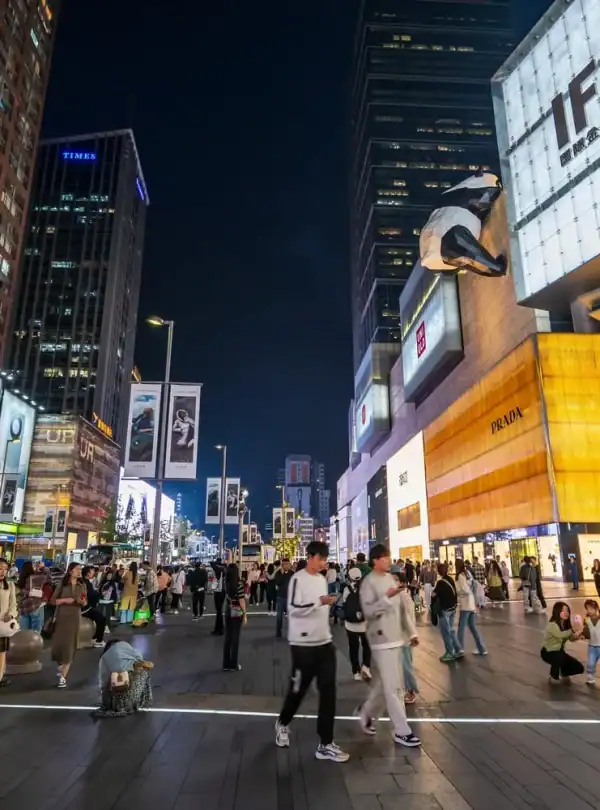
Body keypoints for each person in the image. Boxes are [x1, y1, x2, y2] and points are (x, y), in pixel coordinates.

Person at [275, 541, 349, 763]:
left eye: (325, 559)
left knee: (328, 691)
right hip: (302, 645)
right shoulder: (298, 579)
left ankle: (325, 743)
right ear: (310, 557)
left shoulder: (321, 579)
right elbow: (294, 610)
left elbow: (319, 608)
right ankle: (283, 723)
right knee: (298, 690)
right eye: (321, 558)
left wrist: (326, 604)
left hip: (324, 643)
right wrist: (319, 602)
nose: (324, 563)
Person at [357, 544, 421, 747]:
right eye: (384, 557)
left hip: (396, 638)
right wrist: (386, 598)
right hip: (380, 639)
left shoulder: (390, 579)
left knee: (387, 684)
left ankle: (366, 712)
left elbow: (401, 609)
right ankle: (402, 731)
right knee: (394, 687)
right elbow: (369, 611)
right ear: (375, 560)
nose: (388, 560)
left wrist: (411, 632)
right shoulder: (369, 583)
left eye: (389, 557)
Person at [94, 638, 153, 718]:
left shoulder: (104, 658)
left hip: (117, 697)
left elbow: (103, 684)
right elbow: (140, 657)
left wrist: (106, 704)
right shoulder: (128, 648)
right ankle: (138, 703)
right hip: (135, 693)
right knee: (143, 671)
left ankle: (120, 705)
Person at [51, 562, 88, 688]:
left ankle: (63, 676)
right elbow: (53, 600)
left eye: (80, 569)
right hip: (62, 618)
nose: (79, 571)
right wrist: (65, 600)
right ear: (70, 571)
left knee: (70, 646)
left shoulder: (82, 585)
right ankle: (61, 665)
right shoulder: (62, 584)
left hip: (75, 618)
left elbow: (85, 601)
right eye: (77, 569)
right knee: (59, 645)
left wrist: (82, 602)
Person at [540, 601, 584, 684]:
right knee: (559, 657)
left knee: (579, 667)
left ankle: (564, 672)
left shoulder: (566, 625)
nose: (566, 613)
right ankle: (553, 675)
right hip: (548, 652)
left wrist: (578, 635)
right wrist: (572, 630)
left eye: (567, 610)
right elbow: (560, 635)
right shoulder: (552, 624)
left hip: (559, 652)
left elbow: (570, 638)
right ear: (557, 611)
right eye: (563, 610)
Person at [342, 566, 371, 681]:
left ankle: (356, 672)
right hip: (365, 624)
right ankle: (366, 666)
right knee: (367, 646)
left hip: (350, 625)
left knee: (353, 648)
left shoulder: (346, 589)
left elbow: (344, 604)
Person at [455, 560, 487, 656]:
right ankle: (481, 648)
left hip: (465, 604)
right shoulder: (468, 573)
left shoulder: (460, 576)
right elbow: (473, 586)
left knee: (461, 627)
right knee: (473, 627)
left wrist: (458, 593)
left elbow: (464, 589)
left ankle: (459, 648)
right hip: (472, 603)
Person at [432, 562, 461, 663]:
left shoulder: (440, 583)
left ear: (438, 572)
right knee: (451, 630)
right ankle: (458, 649)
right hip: (453, 608)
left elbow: (434, 595)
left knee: (446, 633)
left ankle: (449, 653)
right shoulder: (450, 579)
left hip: (444, 610)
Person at [223, 564, 247, 671]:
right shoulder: (239, 584)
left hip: (228, 610)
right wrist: (245, 614)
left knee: (228, 637)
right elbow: (241, 600)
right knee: (235, 638)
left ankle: (226, 664)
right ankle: (234, 664)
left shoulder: (226, 583)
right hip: (236, 611)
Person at [16, 560, 47, 634]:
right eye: (34, 565)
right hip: (34, 606)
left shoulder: (22, 579)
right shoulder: (35, 578)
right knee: (35, 633)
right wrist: (43, 567)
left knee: (24, 633)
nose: (35, 566)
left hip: (23, 608)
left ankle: (24, 645)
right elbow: (48, 577)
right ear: (30, 568)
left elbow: (20, 592)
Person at [0, 558, 17, 687]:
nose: (3, 571)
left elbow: (13, 605)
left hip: (2, 625)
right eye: (0, 568)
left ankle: (0, 677)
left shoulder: (9, 585)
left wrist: (10, 614)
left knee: (1, 653)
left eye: (5, 569)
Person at [81, 566, 107, 648]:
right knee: (102, 618)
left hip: (85, 607)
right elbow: (90, 596)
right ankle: (99, 640)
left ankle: (95, 637)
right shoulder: (86, 583)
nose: (94, 573)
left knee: (99, 616)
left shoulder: (84, 582)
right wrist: (98, 594)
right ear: (88, 573)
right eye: (92, 571)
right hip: (85, 609)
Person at [274, 557, 293, 638]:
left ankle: (292, 632)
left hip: (290, 598)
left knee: (291, 616)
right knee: (279, 616)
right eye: (284, 564)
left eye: (287, 564)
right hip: (280, 597)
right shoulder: (278, 573)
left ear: (289, 565)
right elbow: (278, 582)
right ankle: (278, 632)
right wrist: (281, 574)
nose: (285, 566)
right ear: (282, 565)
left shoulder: (292, 573)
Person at [582, 600, 600, 685]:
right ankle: (590, 675)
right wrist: (583, 634)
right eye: (587, 609)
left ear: (596, 608)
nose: (589, 610)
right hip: (592, 646)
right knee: (591, 662)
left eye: (591, 608)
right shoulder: (586, 620)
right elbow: (586, 633)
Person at [211, 559, 226, 636]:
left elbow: (212, 564)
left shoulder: (218, 570)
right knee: (219, 611)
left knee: (219, 611)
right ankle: (219, 628)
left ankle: (220, 629)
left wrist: (216, 564)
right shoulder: (224, 569)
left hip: (218, 591)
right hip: (223, 591)